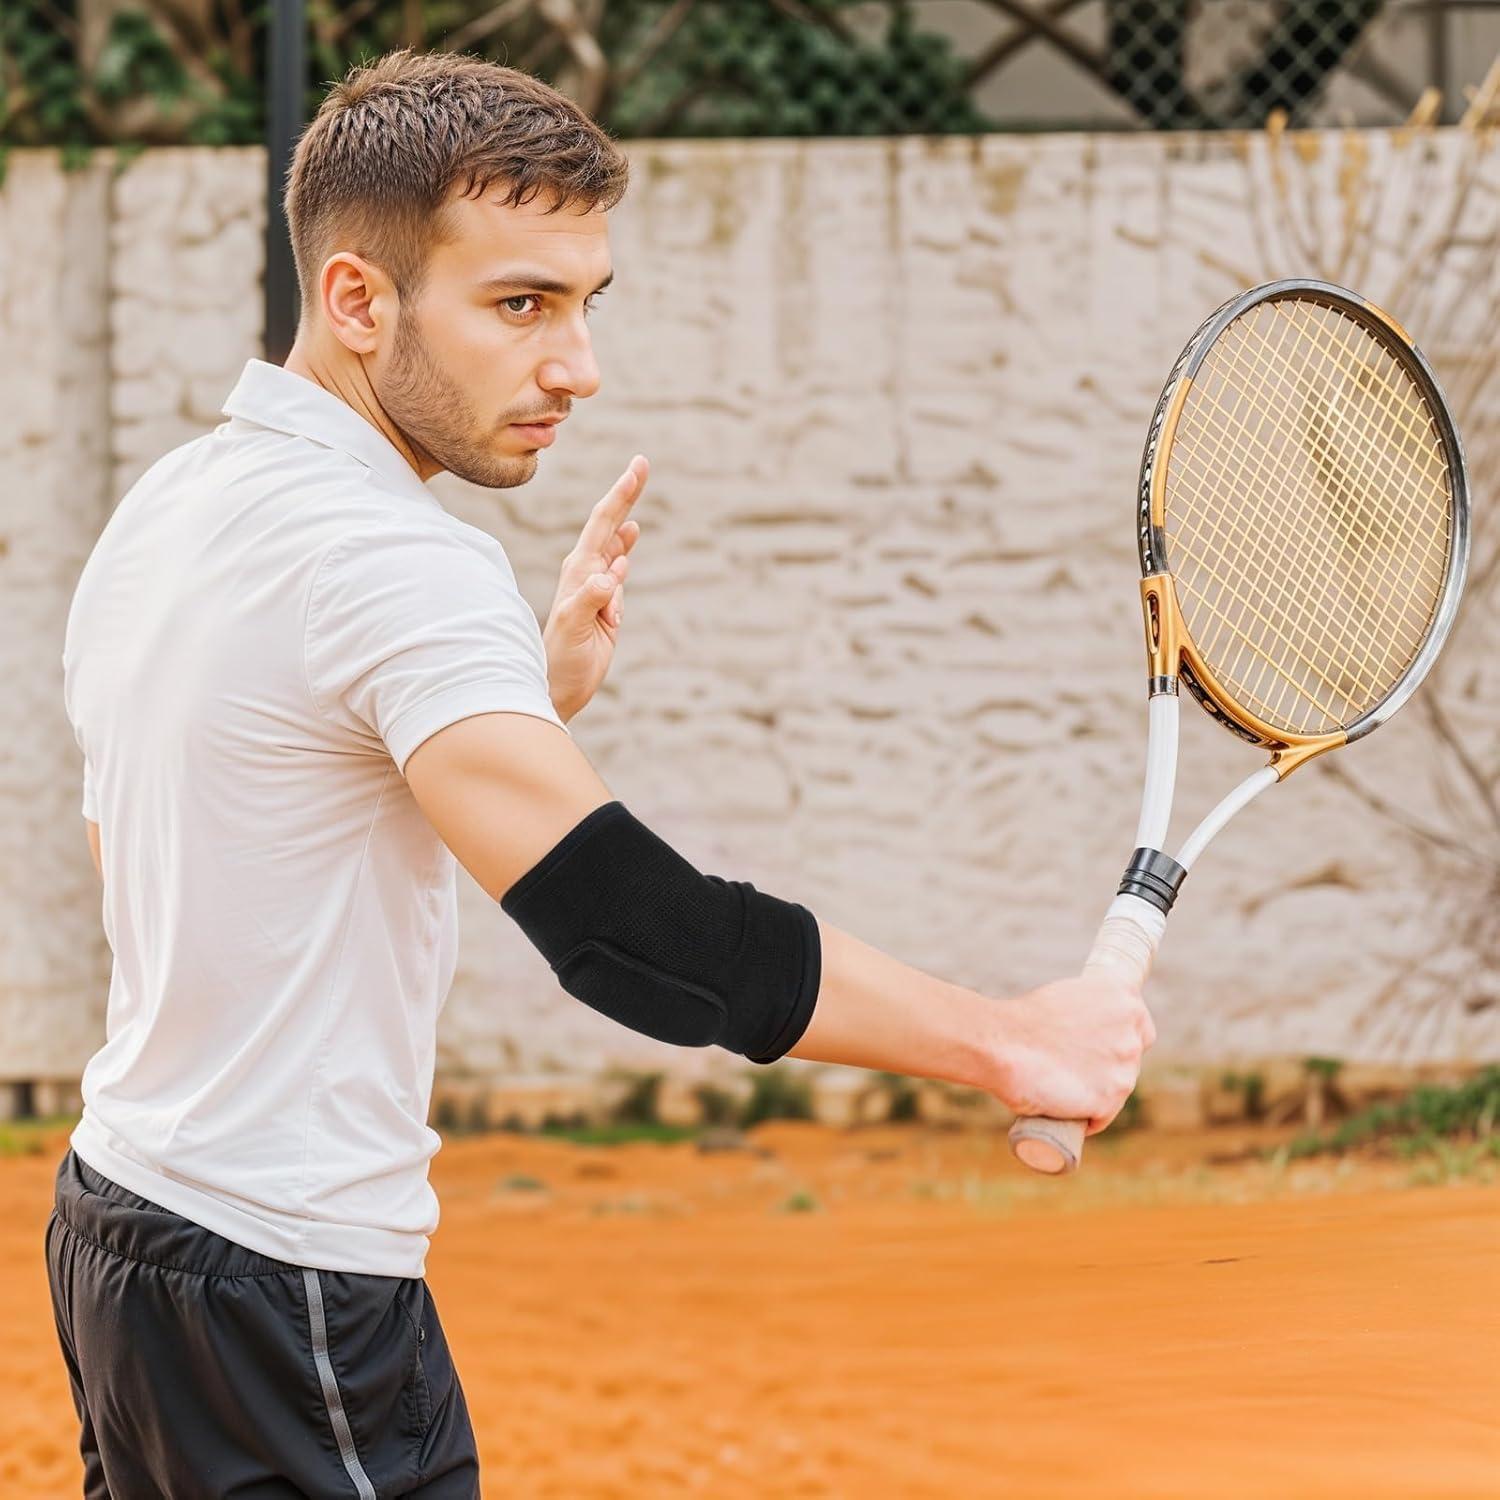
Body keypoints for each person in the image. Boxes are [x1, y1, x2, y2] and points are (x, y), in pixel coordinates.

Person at [48, 47, 1153, 1499]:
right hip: (290, 1276)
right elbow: (639, 936)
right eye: (521, 304)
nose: (577, 365)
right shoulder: (399, 560)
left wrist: (521, 696)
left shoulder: (178, 504)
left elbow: (183, 847)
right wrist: (1013, 1043)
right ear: (359, 301)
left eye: (586, 303)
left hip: (124, 1220)